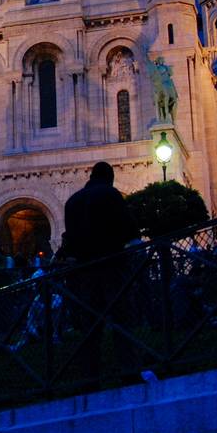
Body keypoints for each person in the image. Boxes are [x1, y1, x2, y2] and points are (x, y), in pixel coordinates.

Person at [58, 161, 139, 381]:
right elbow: (128, 228)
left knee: (90, 326)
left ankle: (89, 377)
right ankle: (128, 370)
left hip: (85, 272)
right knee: (122, 318)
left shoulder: (72, 201)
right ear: (109, 177)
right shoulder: (109, 194)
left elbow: (70, 240)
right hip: (111, 266)